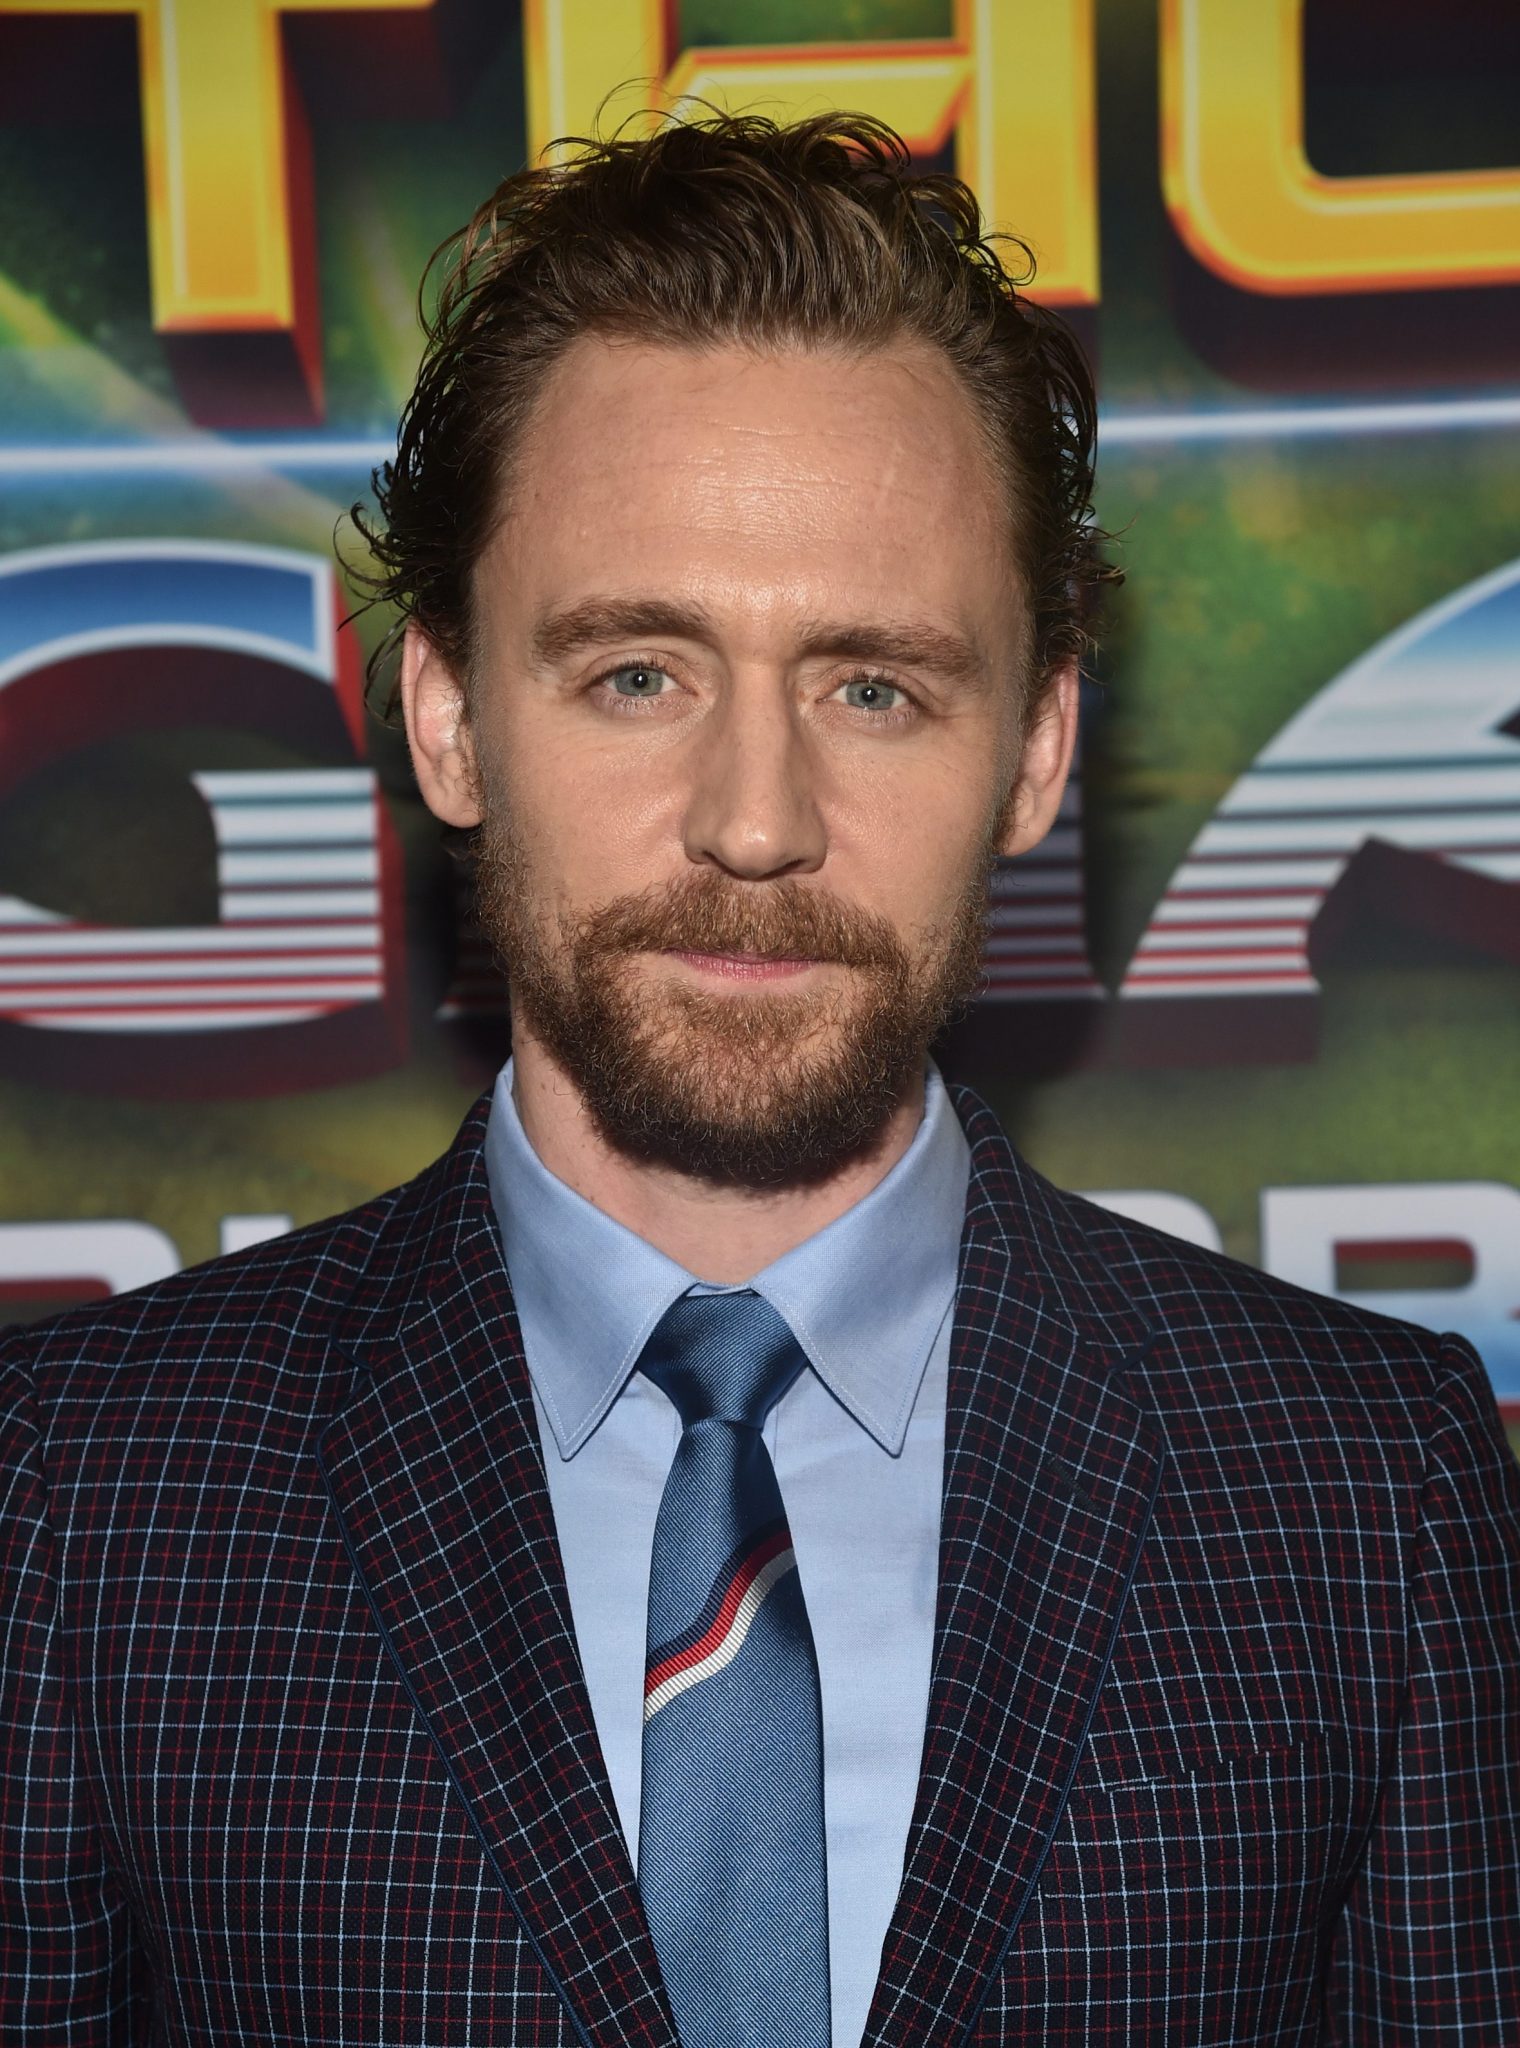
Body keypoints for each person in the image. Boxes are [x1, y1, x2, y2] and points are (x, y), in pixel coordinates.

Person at [2, 110, 1517, 2048]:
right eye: (637, 672)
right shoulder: (80, 1494)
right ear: (447, 716)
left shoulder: (1361, 1486)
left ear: (1037, 750)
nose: (753, 818)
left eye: (872, 686)